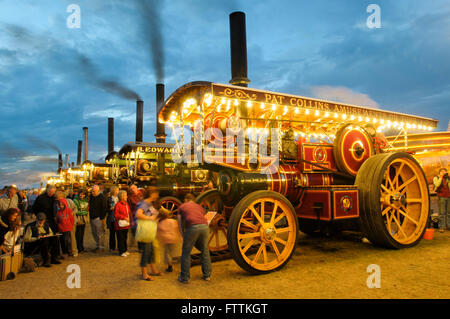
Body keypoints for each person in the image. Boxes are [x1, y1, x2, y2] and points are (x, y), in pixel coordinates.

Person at [177, 193, 211, 284]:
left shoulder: (182, 206)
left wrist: (183, 234)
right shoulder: (199, 207)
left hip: (192, 227)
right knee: (205, 250)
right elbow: (205, 219)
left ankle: (184, 277)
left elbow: (179, 223)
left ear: (186, 200)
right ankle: (207, 275)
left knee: (186, 253)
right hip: (204, 227)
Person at [135, 187, 162, 281]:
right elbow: (138, 214)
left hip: (150, 232)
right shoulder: (144, 204)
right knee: (146, 251)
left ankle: (153, 270)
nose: (157, 196)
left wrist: (156, 217)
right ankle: (144, 274)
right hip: (145, 232)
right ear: (152, 194)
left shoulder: (149, 204)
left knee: (151, 251)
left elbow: (153, 213)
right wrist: (150, 218)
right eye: (156, 194)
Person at [157, 206, 182, 273]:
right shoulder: (173, 221)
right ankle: (172, 260)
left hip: (166, 240)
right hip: (174, 239)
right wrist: (180, 237)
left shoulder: (160, 223)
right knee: (171, 252)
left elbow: (158, 232)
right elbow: (177, 229)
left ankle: (170, 266)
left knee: (167, 253)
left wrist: (159, 239)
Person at [89, 185, 107, 252]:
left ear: (98, 191)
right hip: (92, 217)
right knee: (94, 232)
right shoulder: (91, 197)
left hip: (99, 218)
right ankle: (97, 245)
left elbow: (104, 208)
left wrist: (102, 218)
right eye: (92, 191)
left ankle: (101, 247)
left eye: (94, 191)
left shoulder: (102, 197)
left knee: (100, 233)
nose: (92, 193)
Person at [114, 190, 132, 257]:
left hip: (126, 224)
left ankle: (125, 250)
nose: (126, 197)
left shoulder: (126, 204)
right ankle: (121, 251)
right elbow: (116, 215)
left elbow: (129, 212)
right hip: (119, 225)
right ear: (121, 197)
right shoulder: (118, 205)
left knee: (125, 238)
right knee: (120, 238)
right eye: (125, 195)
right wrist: (124, 218)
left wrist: (129, 219)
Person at [433, 168, 450, 232]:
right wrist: (441, 177)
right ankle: (441, 227)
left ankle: (448, 226)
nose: (444, 173)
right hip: (441, 197)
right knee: (442, 213)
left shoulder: (447, 178)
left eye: (445, 172)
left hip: (448, 196)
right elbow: (437, 184)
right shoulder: (436, 178)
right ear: (439, 172)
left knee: (449, 213)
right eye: (442, 172)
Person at [107, 186, 119, 252]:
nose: (117, 191)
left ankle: (119, 246)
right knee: (112, 233)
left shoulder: (119, 198)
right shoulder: (109, 199)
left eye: (118, 190)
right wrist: (110, 209)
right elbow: (106, 208)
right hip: (112, 217)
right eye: (116, 190)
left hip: (118, 218)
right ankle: (112, 247)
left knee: (118, 233)